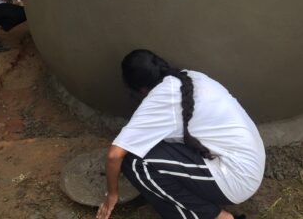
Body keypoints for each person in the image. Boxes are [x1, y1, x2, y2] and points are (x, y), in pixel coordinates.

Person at [96, 49, 265, 219]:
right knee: (149, 146)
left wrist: (112, 195)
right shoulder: (190, 77)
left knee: (133, 161)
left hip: (237, 177)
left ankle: (216, 216)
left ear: (141, 89)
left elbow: (114, 155)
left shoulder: (161, 98)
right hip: (249, 163)